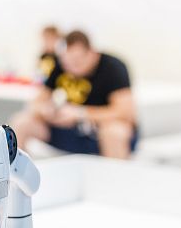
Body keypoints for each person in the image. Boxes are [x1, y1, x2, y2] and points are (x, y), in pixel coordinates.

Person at [9, 30, 137, 159]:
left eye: (77, 62)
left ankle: (116, 177)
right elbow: (36, 102)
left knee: (114, 132)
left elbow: (126, 113)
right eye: (66, 63)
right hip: (69, 131)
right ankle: (18, 174)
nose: (71, 68)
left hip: (99, 131)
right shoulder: (61, 66)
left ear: (92, 53)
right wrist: (46, 111)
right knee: (21, 121)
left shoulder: (113, 67)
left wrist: (80, 113)